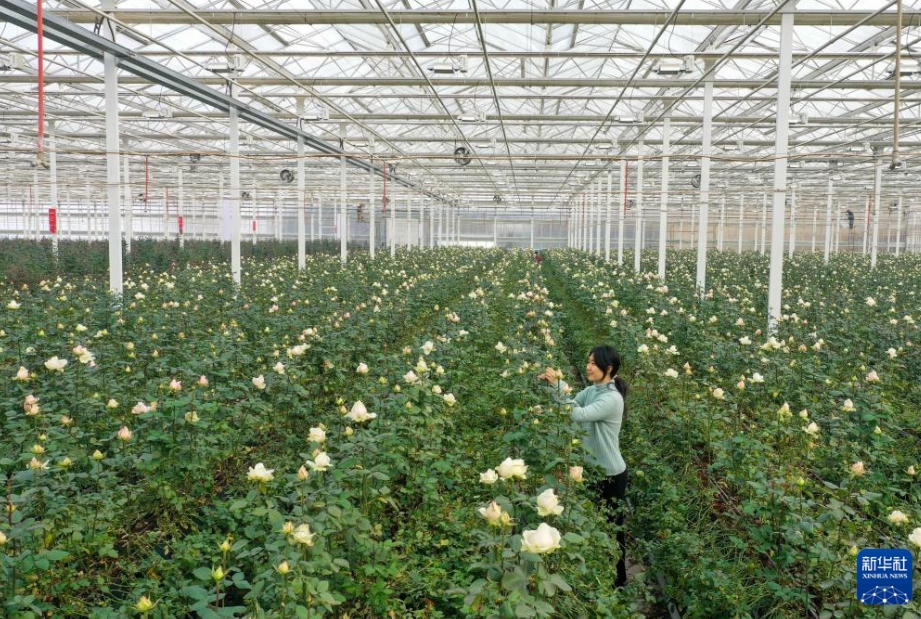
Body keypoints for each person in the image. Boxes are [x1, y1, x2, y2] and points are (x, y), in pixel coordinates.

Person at [539, 345, 628, 587]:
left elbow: (577, 415)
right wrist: (550, 394)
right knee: (589, 524)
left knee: (612, 528)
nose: (587, 367)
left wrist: (558, 384)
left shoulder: (612, 398)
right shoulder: (591, 390)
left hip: (611, 474)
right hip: (589, 471)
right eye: (587, 362)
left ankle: (619, 581)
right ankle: (596, 579)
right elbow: (568, 406)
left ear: (608, 368)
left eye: (593, 363)